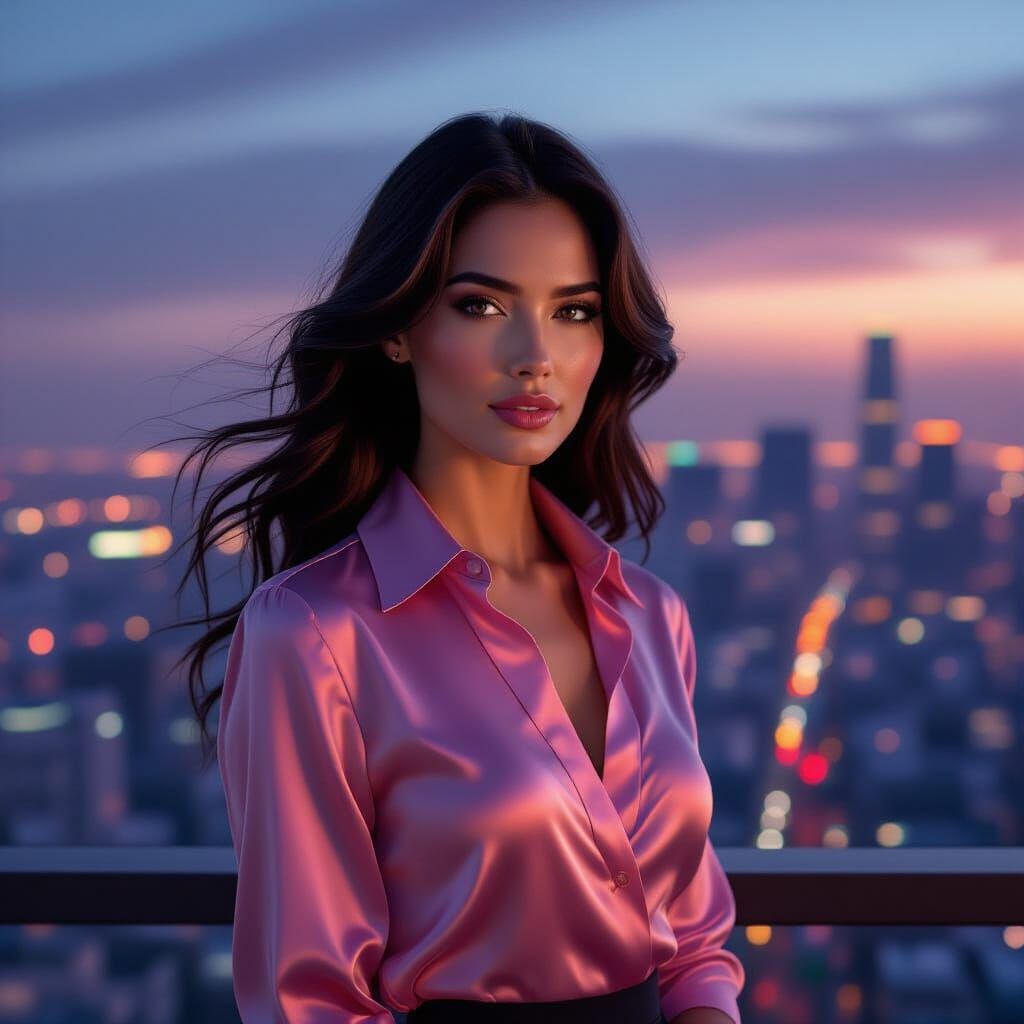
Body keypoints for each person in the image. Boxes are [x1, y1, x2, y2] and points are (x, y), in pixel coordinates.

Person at [168, 111, 745, 1023]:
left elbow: (693, 935)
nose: (535, 358)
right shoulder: (315, 634)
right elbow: (308, 998)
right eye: (481, 305)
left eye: (575, 311)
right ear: (397, 330)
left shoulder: (649, 615)